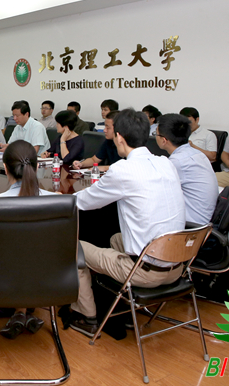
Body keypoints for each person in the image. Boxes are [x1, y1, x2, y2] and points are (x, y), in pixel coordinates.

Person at [67, 109, 185, 338]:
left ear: (119, 137)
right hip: (177, 265)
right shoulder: (165, 163)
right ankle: (122, 305)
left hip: (146, 272)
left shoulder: (123, 169)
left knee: (71, 248)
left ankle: (88, 317)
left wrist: (54, 199)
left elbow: (82, 202)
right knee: (113, 238)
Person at [0, 140, 56, 339]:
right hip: (51, 278)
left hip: (0, 280)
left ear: (5, 168)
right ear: (36, 168)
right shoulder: (58, 202)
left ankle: (20, 312)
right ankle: (21, 312)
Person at [156, 114, 218, 225]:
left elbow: (156, 190)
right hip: (205, 218)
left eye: (155, 134)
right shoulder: (197, 153)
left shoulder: (177, 161)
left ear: (164, 140)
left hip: (191, 225)